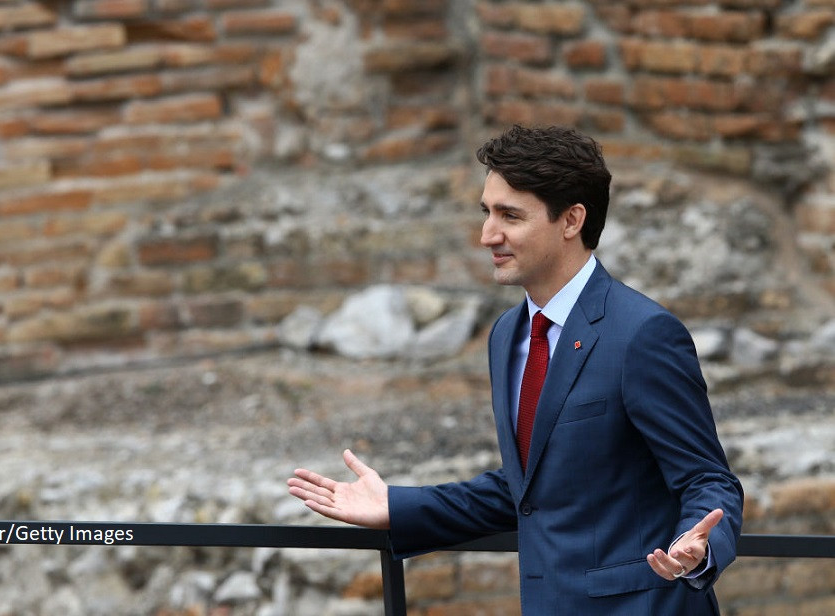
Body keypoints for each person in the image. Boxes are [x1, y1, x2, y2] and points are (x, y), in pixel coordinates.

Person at [287, 125, 744, 615]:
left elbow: (708, 480)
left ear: (571, 220)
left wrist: (696, 550)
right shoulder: (507, 334)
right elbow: (530, 489)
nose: (487, 235)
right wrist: (396, 506)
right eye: (486, 212)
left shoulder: (644, 334)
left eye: (510, 215)